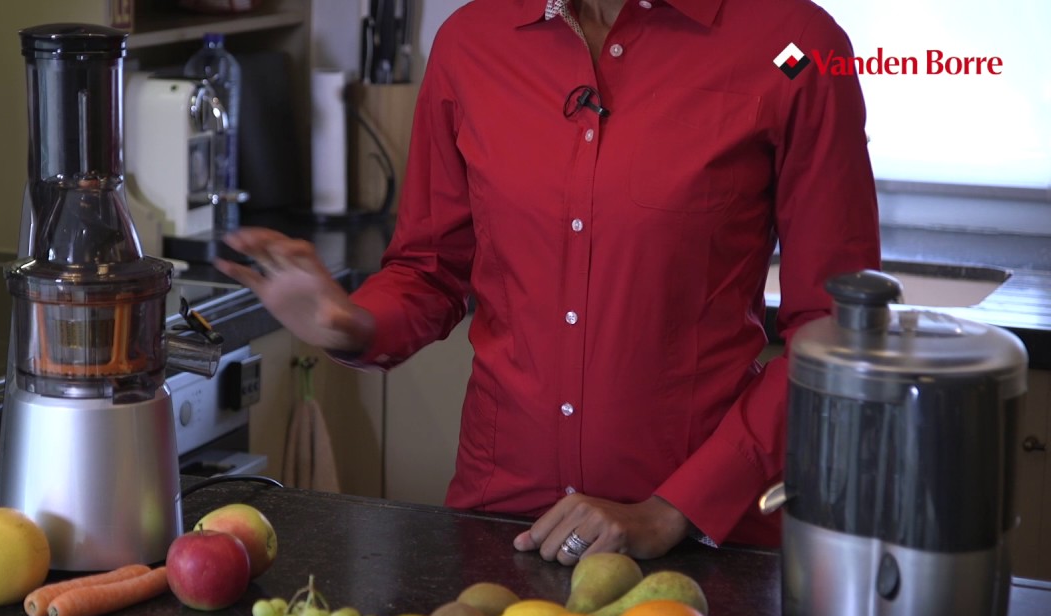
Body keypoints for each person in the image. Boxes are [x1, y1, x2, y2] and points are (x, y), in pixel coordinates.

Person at [216, 0, 880, 564]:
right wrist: (352, 323)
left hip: (701, 542)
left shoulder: (799, 49)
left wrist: (674, 508)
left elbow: (835, 331)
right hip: (501, 529)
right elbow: (429, 270)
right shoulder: (471, 45)